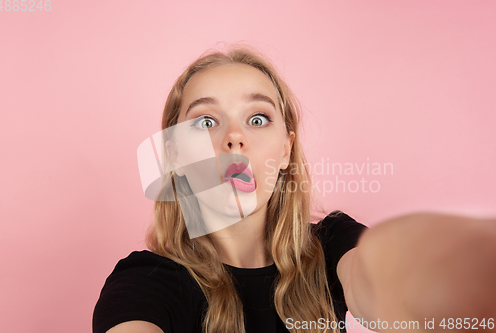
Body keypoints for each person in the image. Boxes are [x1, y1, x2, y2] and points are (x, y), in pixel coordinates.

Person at [92, 46, 496, 333]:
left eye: (257, 119)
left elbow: (377, 285)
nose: (234, 138)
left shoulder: (333, 242)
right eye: (206, 122)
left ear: (285, 149)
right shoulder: (147, 281)